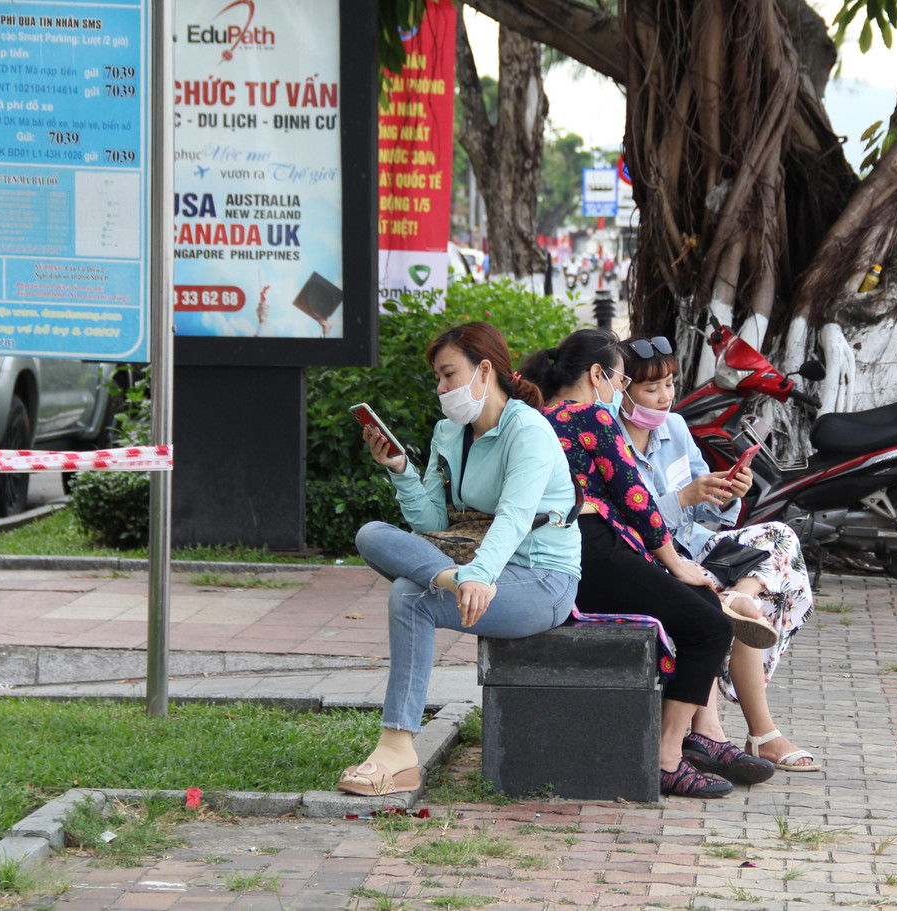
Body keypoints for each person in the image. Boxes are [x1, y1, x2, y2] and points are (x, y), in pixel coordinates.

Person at [519, 328, 775, 798]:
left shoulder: (536, 417)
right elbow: (635, 499)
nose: (619, 390)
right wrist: (675, 562)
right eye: (619, 379)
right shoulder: (588, 415)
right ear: (597, 375)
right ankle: (667, 759)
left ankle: (699, 738)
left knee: (701, 602)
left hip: (563, 550)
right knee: (710, 624)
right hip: (592, 548)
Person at [343, 322, 581, 796]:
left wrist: (480, 575)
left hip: (542, 579)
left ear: (485, 369)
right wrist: (400, 471)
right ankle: (448, 580)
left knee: (410, 594)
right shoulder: (449, 432)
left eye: (449, 374)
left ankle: (397, 751)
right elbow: (431, 521)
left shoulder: (528, 429)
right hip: (469, 564)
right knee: (371, 533)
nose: (442, 388)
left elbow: (515, 516)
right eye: (438, 378)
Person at [616, 335, 820, 772]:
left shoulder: (674, 428)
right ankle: (760, 733)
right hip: (653, 558)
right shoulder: (607, 441)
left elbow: (708, 505)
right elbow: (626, 523)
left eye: (671, 384)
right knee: (742, 613)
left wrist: (727, 492)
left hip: (695, 546)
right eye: (653, 389)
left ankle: (735, 597)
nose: (666, 396)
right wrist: (683, 498)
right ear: (621, 387)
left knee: (780, 536)